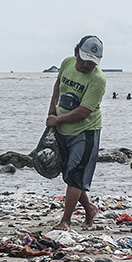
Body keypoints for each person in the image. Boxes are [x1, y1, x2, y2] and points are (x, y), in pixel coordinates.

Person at [46, 35, 106, 230]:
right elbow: (58, 86)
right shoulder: (67, 63)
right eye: (84, 60)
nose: (86, 66)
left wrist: (57, 119)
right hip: (62, 128)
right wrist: (52, 112)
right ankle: (90, 209)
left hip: (85, 130)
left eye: (91, 63)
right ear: (76, 53)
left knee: (76, 174)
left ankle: (66, 220)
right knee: (68, 173)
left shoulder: (97, 79)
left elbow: (84, 112)